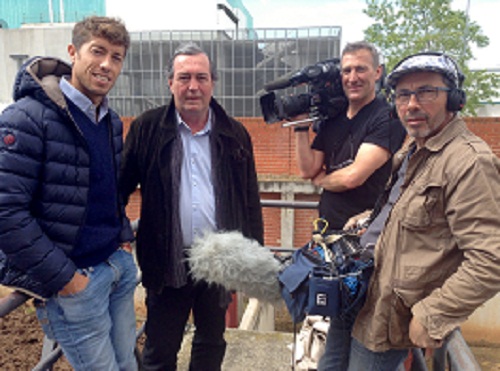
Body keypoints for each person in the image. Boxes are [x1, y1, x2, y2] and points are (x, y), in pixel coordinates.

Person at [343, 52, 500, 370]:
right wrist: (369, 222)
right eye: (403, 94)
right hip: (360, 294)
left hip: (386, 321)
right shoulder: (413, 147)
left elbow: (490, 260)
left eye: (426, 91)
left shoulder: (469, 161)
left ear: (454, 100)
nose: (411, 104)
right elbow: (406, 212)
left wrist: (434, 315)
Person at [0, 16, 138, 370]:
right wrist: (66, 279)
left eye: (117, 57)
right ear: (73, 52)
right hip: (75, 283)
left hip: (116, 267)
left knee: (128, 365)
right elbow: (6, 213)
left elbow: (107, 190)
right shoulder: (25, 118)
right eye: (98, 51)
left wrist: (122, 234)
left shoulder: (110, 120)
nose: (107, 64)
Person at [120, 42, 264, 370]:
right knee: (160, 349)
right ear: (169, 82)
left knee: (211, 342)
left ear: (213, 81)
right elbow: (120, 187)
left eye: (201, 77)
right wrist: (117, 232)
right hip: (167, 257)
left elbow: (249, 199)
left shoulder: (235, 134)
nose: (193, 86)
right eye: (184, 77)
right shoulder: (147, 128)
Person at [294, 41, 406, 370]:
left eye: (360, 69)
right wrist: (301, 126)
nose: (352, 77)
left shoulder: (387, 117)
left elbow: (354, 176)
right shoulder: (332, 119)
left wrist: (322, 181)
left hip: (366, 249)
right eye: (347, 70)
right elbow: (306, 169)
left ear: (377, 73)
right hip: (331, 247)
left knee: (364, 333)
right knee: (337, 332)